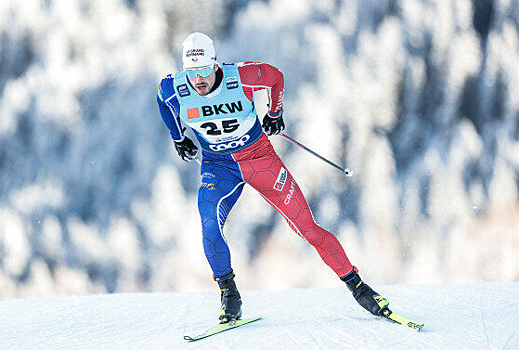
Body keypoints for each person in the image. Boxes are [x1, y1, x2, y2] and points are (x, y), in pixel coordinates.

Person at [156, 32, 388, 324]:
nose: (198, 80)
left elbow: (275, 77)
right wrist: (178, 138)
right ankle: (230, 295)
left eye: (203, 71)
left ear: (215, 65)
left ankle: (359, 288)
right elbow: (162, 101)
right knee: (209, 227)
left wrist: (275, 113)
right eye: (192, 73)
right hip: (218, 166)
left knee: (307, 228)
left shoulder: (241, 76)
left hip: (260, 160)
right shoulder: (174, 87)